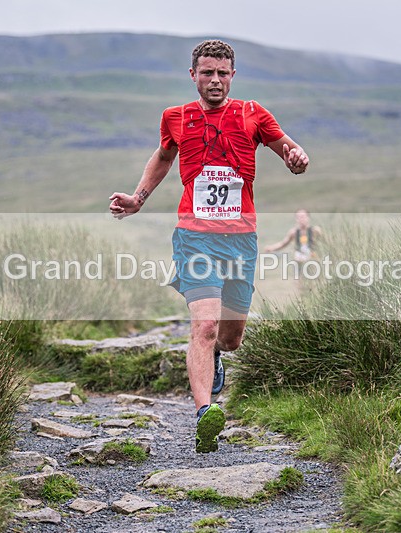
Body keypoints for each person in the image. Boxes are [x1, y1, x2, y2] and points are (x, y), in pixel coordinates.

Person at [109, 39, 309, 453]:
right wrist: (137, 198)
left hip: (240, 240)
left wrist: (296, 158)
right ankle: (205, 414)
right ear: (193, 75)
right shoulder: (175, 117)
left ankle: (217, 356)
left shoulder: (254, 114)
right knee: (204, 325)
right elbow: (163, 157)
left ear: (232, 76)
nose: (214, 80)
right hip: (194, 237)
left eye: (222, 73)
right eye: (207, 73)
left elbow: (287, 146)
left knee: (230, 337)